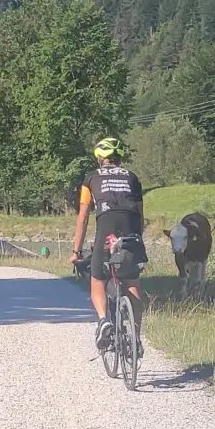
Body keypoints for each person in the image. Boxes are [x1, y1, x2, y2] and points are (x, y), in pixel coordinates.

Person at [71, 137, 145, 349]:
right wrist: (138, 243)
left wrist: (76, 251)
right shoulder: (132, 177)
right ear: (119, 158)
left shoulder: (90, 178)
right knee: (132, 281)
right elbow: (140, 213)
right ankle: (136, 338)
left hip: (106, 225)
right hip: (131, 226)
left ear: (99, 159)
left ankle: (104, 321)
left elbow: (83, 216)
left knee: (98, 279)